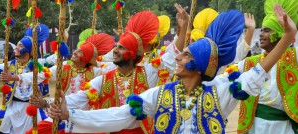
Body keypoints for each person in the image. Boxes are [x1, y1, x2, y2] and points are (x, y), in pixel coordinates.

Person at [49, 6, 296, 133]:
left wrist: (288, 37)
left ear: (199, 66)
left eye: (186, 55)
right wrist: (72, 115)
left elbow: (257, 72)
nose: (179, 58)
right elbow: (119, 115)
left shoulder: (220, 91)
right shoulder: (161, 94)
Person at [29, 11, 177, 134]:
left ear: (131, 53)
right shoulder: (103, 78)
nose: (115, 50)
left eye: (121, 47)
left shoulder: (148, 72)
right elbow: (78, 99)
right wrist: (46, 103)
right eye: (116, 46)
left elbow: (172, 57)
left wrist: (181, 31)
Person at [1, 33, 115, 134]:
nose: (75, 52)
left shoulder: (97, 72)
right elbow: (39, 75)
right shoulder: (63, 67)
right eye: (77, 49)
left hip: (83, 116)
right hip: (59, 113)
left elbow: (114, 65)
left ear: (86, 58)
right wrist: (15, 77)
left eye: (81, 52)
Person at [236, 1, 298, 134]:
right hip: (254, 126)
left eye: (266, 30)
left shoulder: (294, 57)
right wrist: (250, 30)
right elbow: (229, 65)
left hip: (283, 127)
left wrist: (290, 32)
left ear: (280, 34)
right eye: (261, 29)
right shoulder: (251, 63)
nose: (261, 33)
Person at [0, 24, 51, 134]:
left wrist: (15, 77)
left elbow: (40, 74)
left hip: (31, 109)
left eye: (20, 46)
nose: (16, 47)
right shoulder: (9, 65)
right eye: (17, 45)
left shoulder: (38, 66)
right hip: (13, 108)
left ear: (28, 50)